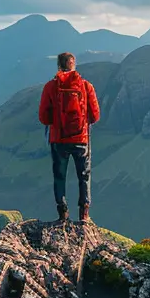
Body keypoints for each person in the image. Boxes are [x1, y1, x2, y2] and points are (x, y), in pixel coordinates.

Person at [38, 52, 100, 222]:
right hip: (81, 139)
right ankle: (84, 214)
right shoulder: (86, 86)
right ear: (74, 66)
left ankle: (63, 213)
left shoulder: (50, 87)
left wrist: (58, 122)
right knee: (84, 175)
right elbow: (95, 116)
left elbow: (43, 117)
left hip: (58, 140)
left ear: (58, 66)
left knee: (59, 176)